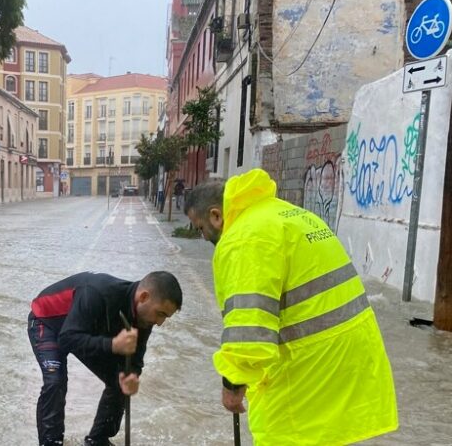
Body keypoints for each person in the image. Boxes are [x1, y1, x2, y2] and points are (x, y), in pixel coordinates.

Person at [184, 168, 398, 445]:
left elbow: (249, 334)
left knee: (281, 436)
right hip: (351, 360)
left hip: (308, 367)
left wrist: (232, 385)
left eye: (200, 227)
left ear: (216, 215)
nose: (202, 237)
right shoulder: (288, 214)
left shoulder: (243, 238)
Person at [28, 271, 182, 446]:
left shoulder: (144, 317)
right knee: (55, 381)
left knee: (120, 380)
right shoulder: (97, 292)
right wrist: (113, 345)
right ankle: (50, 442)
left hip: (82, 330)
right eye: (160, 313)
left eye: (165, 317)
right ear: (144, 297)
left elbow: (135, 359)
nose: (160, 323)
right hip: (47, 323)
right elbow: (66, 339)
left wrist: (132, 376)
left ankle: (98, 440)